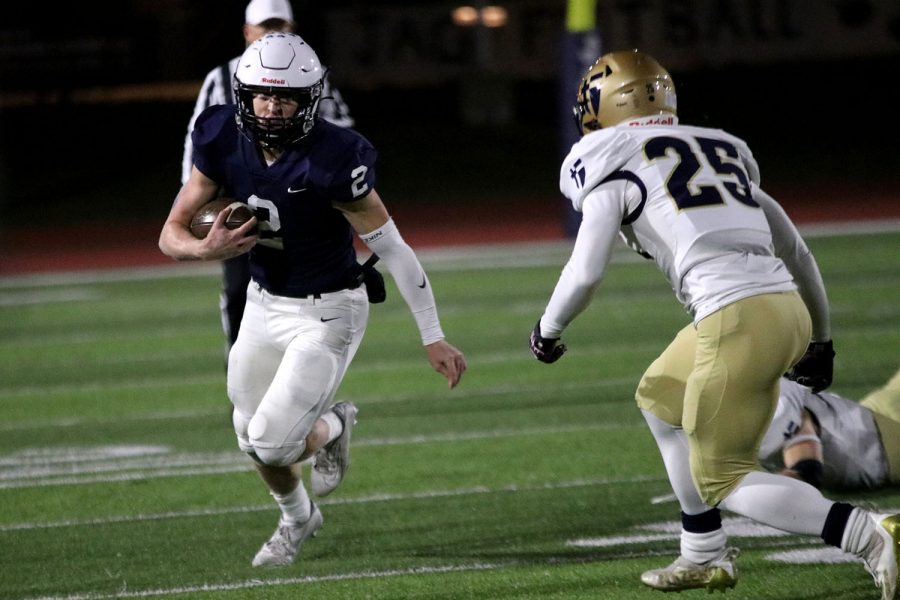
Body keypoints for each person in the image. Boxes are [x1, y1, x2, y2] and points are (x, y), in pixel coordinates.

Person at [528, 49, 900, 598]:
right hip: (783, 308)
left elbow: (585, 273)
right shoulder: (720, 150)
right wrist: (821, 338)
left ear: (602, 105)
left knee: (724, 477)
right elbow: (797, 253)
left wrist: (548, 328)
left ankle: (870, 534)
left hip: (736, 315)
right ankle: (703, 551)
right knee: (660, 399)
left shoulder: (609, 159)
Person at [159, 32, 467, 567]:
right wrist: (205, 250)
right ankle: (298, 518)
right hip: (263, 301)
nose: (273, 108)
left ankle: (337, 424)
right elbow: (170, 233)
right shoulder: (221, 137)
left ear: (309, 101)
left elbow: (394, 250)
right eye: (263, 95)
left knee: (276, 443)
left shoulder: (334, 157)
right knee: (249, 436)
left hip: (328, 310)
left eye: (286, 98)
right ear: (243, 95)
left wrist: (432, 335)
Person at [182, 0, 354, 360]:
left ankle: (303, 386)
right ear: (248, 33)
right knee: (239, 292)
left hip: (300, 208)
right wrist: (195, 201)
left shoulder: (311, 74)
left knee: (313, 297)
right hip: (242, 210)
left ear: (293, 29)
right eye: (265, 27)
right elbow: (198, 147)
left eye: (281, 26)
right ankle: (247, 380)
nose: (274, 34)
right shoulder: (221, 78)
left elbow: (342, 136)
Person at [759, 368, 900, 491]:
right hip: (876, 414)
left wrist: (772, 491)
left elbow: (807, 468)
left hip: (888, 443)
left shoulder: (770, 408)